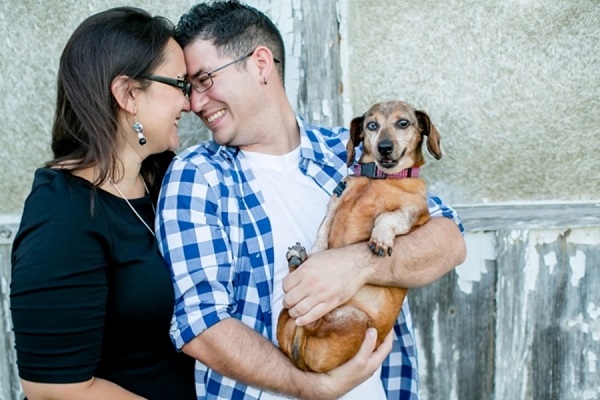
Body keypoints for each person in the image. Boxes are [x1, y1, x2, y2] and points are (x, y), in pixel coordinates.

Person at [156, 1, 466, 399]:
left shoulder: (348, 154)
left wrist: (355, 265)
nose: (194, 103)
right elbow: (201, 325)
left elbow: (450, 241)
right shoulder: (198, 176)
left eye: (204, 80)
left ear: (261, 64)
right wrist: (314, 388)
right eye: (189, 88)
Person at [9, 7, 196, 400]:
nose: (189, 102)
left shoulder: (169, 181)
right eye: (180, 84)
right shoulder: (63, 213)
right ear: (127, 94)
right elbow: (54, 389)